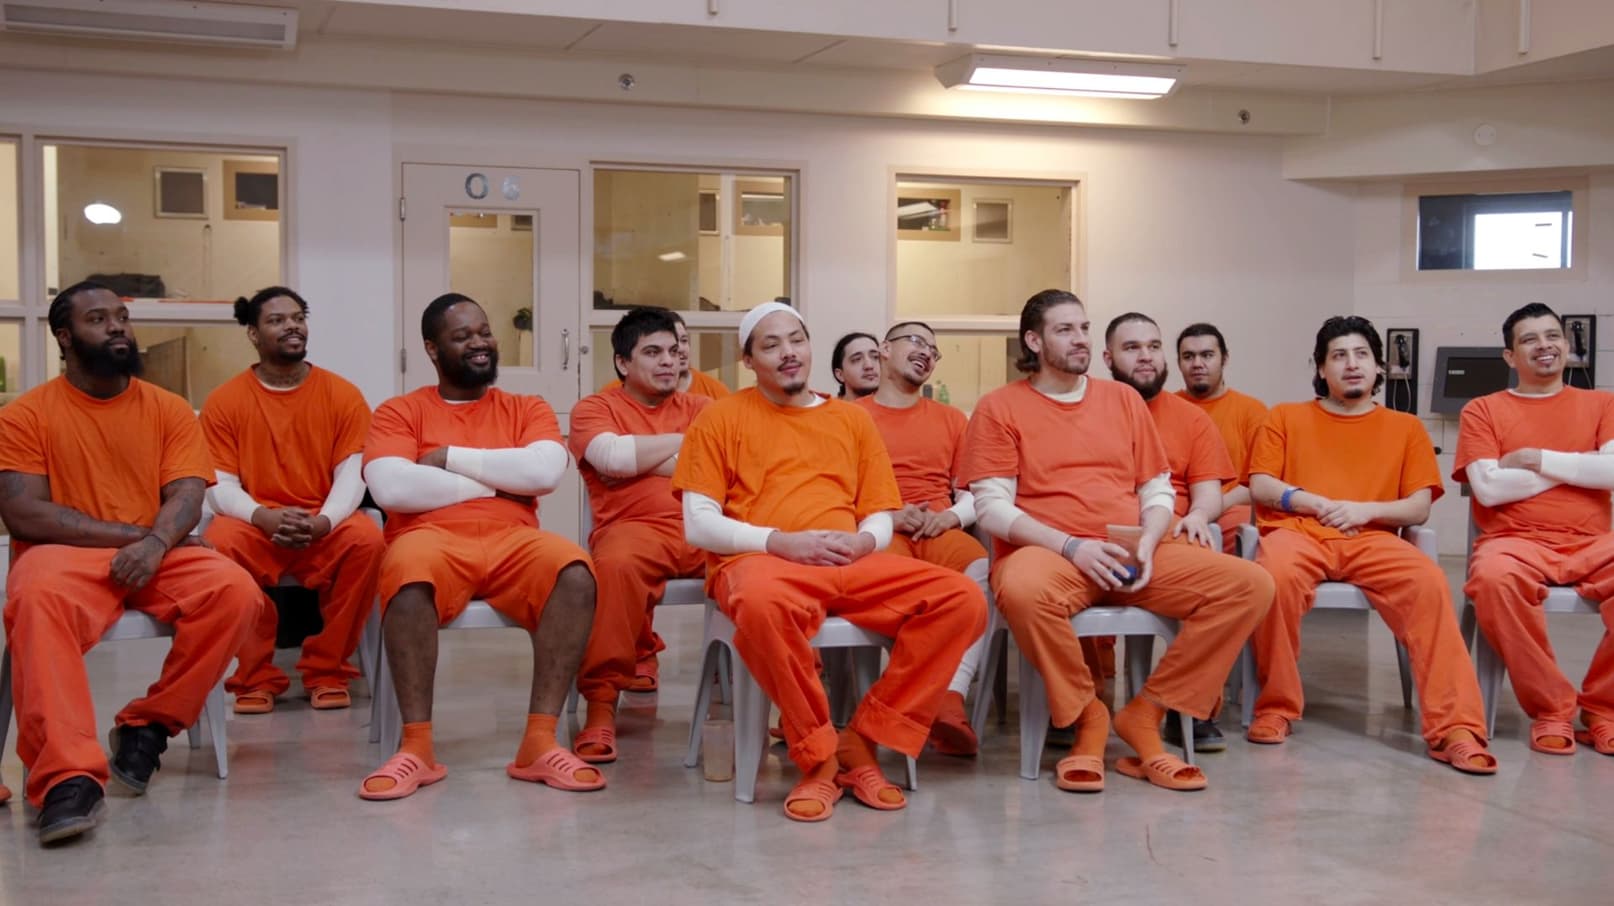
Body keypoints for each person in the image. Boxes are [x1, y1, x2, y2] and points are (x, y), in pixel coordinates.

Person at [673, 302, 985, 822]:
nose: (788, 353)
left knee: (962, 599)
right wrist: (780, 543)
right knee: (761, 602)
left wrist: (866, 542)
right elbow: (699, 524)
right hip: (761, 562)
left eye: (796, 340)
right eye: (771, 345)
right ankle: (818, 758)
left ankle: (864, 740)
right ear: (748, 360)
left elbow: (879, 510)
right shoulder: (720, 417)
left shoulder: (850, 419)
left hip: (847, 559)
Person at [960, 289, 1271, 794]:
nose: (1080, 339)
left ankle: (1147, 713)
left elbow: (1156, 487)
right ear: (1034, 341)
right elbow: (992, 507)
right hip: (1051, 556)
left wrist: (1150, 538)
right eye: (1065, 330)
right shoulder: (999, 407)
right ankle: (1089, 716)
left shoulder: (1123, 400)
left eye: (1084, 328)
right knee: (1021, 590)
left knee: (1250, 585)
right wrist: (1071, 547)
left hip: (1132, 552)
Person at [0, 282, 257, 844]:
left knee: (235, 590)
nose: (117, 326)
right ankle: (67, 777)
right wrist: (146, 537)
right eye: (98, 319)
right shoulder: (25, 415)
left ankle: (149, 726)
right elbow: (25, 513)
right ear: (65, 337)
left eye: (121, 316)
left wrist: (156, 545)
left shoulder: (167, 408)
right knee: (35, 598)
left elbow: (187, 492)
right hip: (66, 556)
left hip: (157, 554)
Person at [357, 293, 599, 800]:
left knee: (574, 572)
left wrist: (446, 458)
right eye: (462, 336)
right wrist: (497, 484)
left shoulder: (526, 407)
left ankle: (539, 742)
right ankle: (416, 748)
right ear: (432, 348)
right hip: (428, 539)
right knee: (406, 573)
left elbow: (543, 472)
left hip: (514, 539)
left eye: (484, 331)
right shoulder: (399, 411)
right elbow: (392, 488)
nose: (479, 343)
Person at [1245, 315, 1496, 775]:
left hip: (1373, 539)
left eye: (1361, 354)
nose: (1351, 364)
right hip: (1299, 534)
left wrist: (1363, 511)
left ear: (1379, 366)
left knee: (1429, 583)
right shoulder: (1285, 417)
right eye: (1339, 356)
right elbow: (1261, 484)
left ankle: (1456, 727)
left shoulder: (1405, 427)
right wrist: (1314, 502)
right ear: (1321, 368)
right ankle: (1276, 707)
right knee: (1273, 578)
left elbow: (1418, 506)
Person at [201, 286, 384, 714]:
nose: (292, 326)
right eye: (277, 320)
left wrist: (324, 522)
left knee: (368, 541)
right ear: (253, 333)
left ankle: (328, 671)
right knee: (219, 543)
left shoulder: (342, 394)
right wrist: (262, 517)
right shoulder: (225, 401)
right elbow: (218, 484)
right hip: (256, 525)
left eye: (298, 317)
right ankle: (255, 678)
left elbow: (353, 471)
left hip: (322, 524)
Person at [1456, 302, 1614, 756]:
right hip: (1512, 543)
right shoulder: (1483, 410)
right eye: (1529, 339)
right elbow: (1489, 488)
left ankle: (1603, 709)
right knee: (1492, 581)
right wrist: (1582, 466)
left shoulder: (1601, 404)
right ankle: (1552, 710)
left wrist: (1535, 459)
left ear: (1566, 344)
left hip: (1593, 543)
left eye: (1552, 336)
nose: (1544, 346)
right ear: (1510, 356)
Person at [569, 307, 710, 763]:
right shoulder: (596, 408)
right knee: (615, 567)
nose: (668, 361)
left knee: (767, 565)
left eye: (672, 350)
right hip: (633, 532)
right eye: (652, 352)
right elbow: (611, 458)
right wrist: (687, 445)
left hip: (707, 528)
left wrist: (639, 458)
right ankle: (601, 705)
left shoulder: (703, 409)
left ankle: (789, 702)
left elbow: (729, 466)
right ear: (622, 362)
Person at [855, 320, 990, 756]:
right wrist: (887, 516)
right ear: (884, 349)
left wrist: (949, 517)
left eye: (933, 349)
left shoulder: (952, 420)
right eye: (915, 341)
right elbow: (837, 489)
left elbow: (974, 491)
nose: (926, 352)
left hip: (938, 527)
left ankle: (950, 697)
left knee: (983, 570)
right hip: (880, 529)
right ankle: (911, 702)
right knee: (895, 585)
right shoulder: (851, 416)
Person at [1104, 313, 1237, 754]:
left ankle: (1184, 704)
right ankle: (1081, 704)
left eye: (1154, 346)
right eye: (1131, 348)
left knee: (1235, 588)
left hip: (1172, 537)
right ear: (1107, 358)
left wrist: (1199, 515)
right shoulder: (1089, 409)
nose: (1146, 356)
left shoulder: (1192, 419)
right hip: (1101, 536)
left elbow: (1209, 491)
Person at [1176, 322, 1268, 551]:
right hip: (1177, 510)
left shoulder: (1252, 411)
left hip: (1232, 511)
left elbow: (1259, 481)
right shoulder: (1167, 407)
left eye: (1207, 355)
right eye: (1188, 356)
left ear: (1224, 359)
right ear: (1178, 362)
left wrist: (1209, 508)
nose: (1197, 364)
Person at [603, 308, 730, 400]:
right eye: (652, 352)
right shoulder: (607, 400)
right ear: (622, 363)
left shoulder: (710, 397)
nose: (680, 350)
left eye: (683, 341)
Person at [830, 332, 881, 400]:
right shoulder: (829, 407)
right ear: (840, 375)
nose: (869, 366)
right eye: (857, 359)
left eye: (875, 357)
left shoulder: (893, 404)